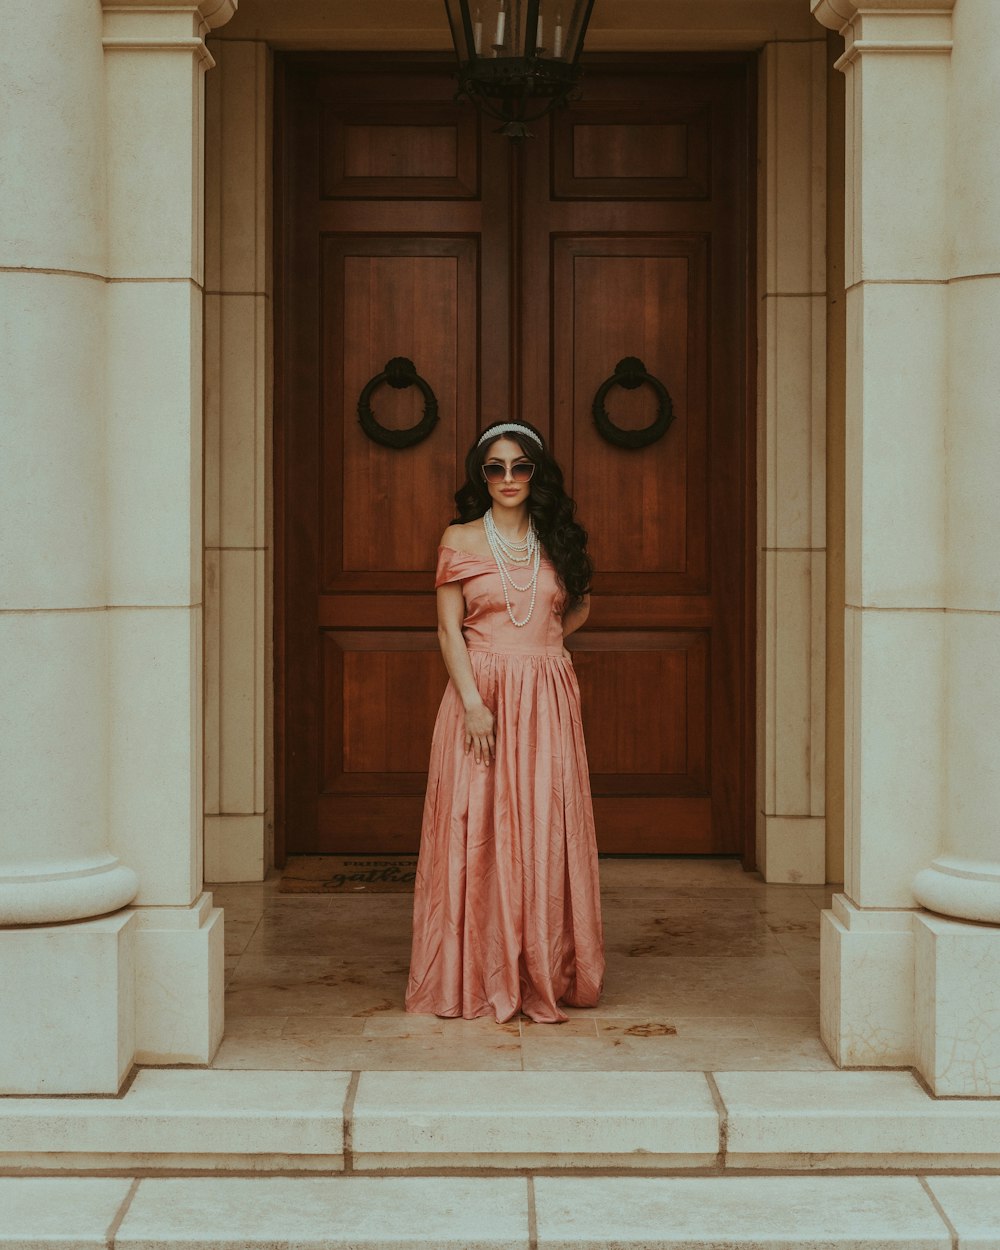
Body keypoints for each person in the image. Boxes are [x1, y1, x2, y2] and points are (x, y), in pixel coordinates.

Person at [405, 420, 605, 1023]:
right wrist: (472, 700)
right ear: (481, 476)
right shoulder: (460, 539)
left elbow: (581, 605)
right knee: (477, 829)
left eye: (521, 467)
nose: (510, 478)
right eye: (497, 468)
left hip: (545, 698)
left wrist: (540, 650)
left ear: (536, 474)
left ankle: (541, 968)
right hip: (479, 697)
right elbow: (447, 629)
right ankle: (473, 972)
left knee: (543, 829)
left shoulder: (557, 541)